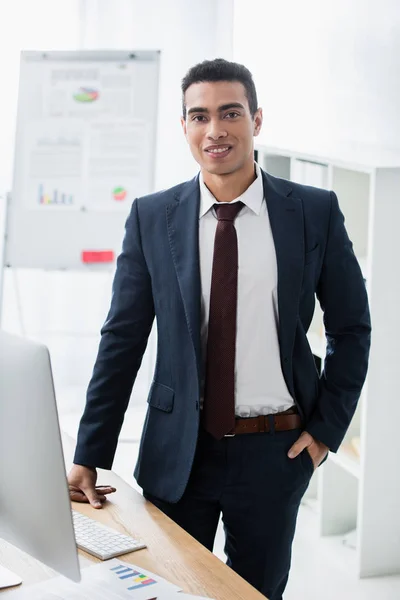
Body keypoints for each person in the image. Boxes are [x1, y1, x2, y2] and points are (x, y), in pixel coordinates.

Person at [68, 58, 371, 599]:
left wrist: (325, 432)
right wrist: (89, 453)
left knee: (256, 593)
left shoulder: (313, 212)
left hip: (276, 451)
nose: (216, 130)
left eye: (230, 112)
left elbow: (352, 327)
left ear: (256, 119)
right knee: (168, 589)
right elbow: (123, 340)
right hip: (178, 451)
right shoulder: (151, 216)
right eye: (199, 115)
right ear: (183, 127)